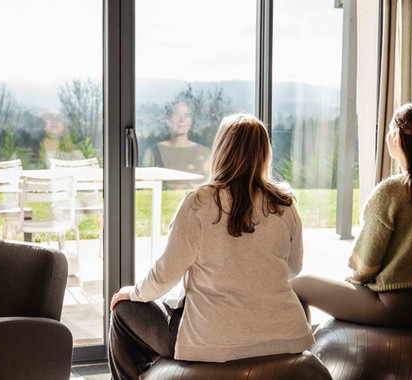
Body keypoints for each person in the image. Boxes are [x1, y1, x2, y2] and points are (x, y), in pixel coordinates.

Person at [108, 114, 314, 380]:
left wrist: (132, 293)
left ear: (222, 150)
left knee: (122, 311)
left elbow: (163, 277)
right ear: (264, 154)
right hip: (285, 336)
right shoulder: (284, 205)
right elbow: (292, 269)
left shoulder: (199, 202)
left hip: (209, 341)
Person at [292, 103, 412, 327]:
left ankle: (299, 356)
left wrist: (352, 284)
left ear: (397, 138)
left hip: (397, 307)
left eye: (391, 129)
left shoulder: (390, 192)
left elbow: (365, 267)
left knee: (299, 284)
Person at [142, 101, 211, 189]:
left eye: (186, 115)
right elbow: (146, 188)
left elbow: (209, 186)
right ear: (168, 120)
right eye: (177, 115)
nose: (182, 120)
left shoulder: (204, 153)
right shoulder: (154, 152)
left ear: (191, 121)